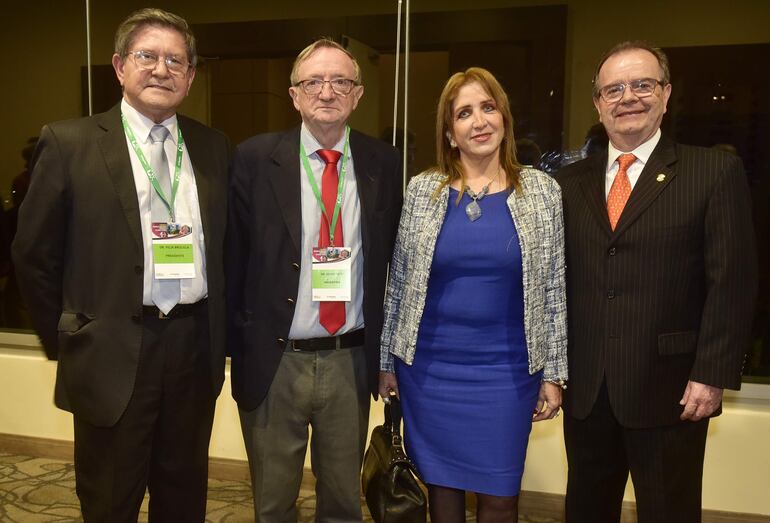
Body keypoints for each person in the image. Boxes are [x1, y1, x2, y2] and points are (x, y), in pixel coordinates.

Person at [12, 8, 231, 521]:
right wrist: (71, 337)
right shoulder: (70, 143)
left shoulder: (213, 146)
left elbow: (226, 250)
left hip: (192, 349)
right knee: (110, 500)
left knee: (183, 500)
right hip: (110, 351)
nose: (162, 69)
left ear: (191, 75)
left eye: (176, 60)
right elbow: (33, 256)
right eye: (147, 56)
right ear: (118, 66)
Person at [556, 41, 757, 523]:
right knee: (585, 510)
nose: (628, 97)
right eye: (614, 89)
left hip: (672, 391)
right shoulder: (567, 183)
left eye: (642, 84)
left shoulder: (711, 171)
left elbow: (732, 282)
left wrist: (712, 372)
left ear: (666, 94)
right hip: (587, 391)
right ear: (598, 102)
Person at [379, 67, 568, 522]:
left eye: (488, 108)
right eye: (464, 113)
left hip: (508, 373)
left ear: (503, 117)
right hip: (430, 371)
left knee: (501, 495)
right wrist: (387, 362)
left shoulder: (542, 192)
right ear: (450, 131)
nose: (479, 121)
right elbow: (400, 280)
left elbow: (554, 287)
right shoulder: (423, 190)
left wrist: (555, 373)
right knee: (442, 493)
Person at [227, 38, 402, 522]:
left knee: (344, 502)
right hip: (275, 359)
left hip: (350, 359)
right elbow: (232, 259)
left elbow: (394, 262)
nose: (327, 91)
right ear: (294, 95)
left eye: (340, 81)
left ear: (358, 94)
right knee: (273, 502)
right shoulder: (254, 160)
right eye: (314, 82)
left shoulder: (382, 164)